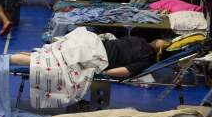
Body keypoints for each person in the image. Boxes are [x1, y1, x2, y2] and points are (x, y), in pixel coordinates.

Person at [10, 36, 167, 79]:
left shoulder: (138, 39)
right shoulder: (147, 59)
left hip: (90, 42)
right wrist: (102, 73)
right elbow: (125, 71)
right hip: (94, 57)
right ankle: (9, 60)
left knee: (50, 55)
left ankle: (12, 57)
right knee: (53, 63)